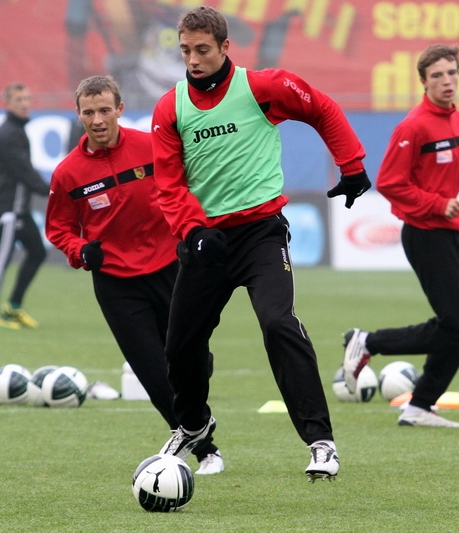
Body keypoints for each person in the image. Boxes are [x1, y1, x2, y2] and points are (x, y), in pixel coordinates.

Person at [150, 6, 369, 482]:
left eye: (202, 50)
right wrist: (193, 231)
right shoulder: (170, 108)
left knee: (277, 322)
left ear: (226, 47)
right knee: (180, 346)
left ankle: (321, 442)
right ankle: (193, 425)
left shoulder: (264, 87)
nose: (193, 60)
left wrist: (351, 165)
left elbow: (322, 108)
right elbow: (168, 185)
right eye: (185, 51)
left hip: (261, 234)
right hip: (205, 241)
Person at [45, 75, 224, 475]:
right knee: (153, 372)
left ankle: (196, 399)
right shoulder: (68, 173)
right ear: (78, 115)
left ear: (120, 110)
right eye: (88, 112)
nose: (97, 120)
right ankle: (205, 449)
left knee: (190, 360)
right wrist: (80, 250)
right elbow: (58, 228)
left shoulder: (152, 147)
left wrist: (197, 233)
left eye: (104, 110)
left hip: (171, 267)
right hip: (116, 283)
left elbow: (188, 187)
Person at [341, 44, 459, 429]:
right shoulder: (413, 126)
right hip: (424, 234)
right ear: (423, 81)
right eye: (437, 75)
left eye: (452, 73)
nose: (447, 80)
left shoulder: (457, 120)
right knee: (457, 325)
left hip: (449, 233)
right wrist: (439, 204)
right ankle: (368, 342)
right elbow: (390, 183)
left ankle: (419, 406)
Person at [0, 83, 49, 329]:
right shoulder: (8, 134)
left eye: (27, 99)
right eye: (19, 100)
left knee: (38, 252)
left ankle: (13, 307)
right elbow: (24, 172)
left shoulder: (18, 131)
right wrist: (53, 191)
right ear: (8, 103)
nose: (25, 104)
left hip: (20, 211)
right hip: (8, 212)